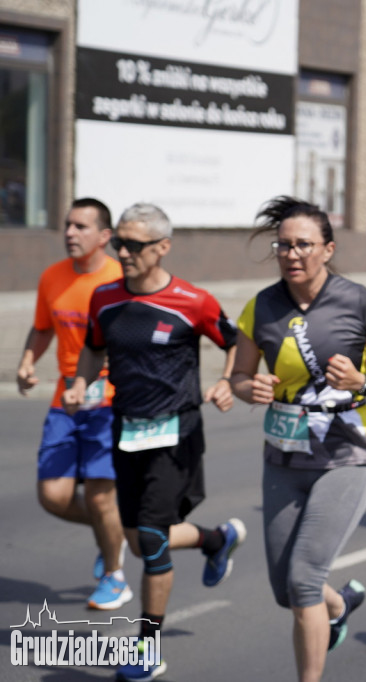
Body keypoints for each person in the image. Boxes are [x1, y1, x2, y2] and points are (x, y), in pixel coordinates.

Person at [63, 202, 244, 681]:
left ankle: (147, 647)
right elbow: (93, 348)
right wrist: (82, 382)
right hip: (125, 429)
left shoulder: (192, 300)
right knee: (139, 541)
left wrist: (229, 381)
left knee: (149, 539)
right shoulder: (104, 299)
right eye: (119, 242)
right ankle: (216, 538)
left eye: (134, 245)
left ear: (162, 248)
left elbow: (235, 341)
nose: (122, 251)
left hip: (176, 431)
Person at [230, 197, 366, 682]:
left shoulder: (360, 302)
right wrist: (250, 387)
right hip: (283, 455)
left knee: (304, 580)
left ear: (327, 249)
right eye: (283, 245)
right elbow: (240, 376)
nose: (292, 253)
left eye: (303, 244)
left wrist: (362, 383)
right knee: (287, 589)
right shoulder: (260, 307)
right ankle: (340, 603)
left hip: (346, 452)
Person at [16, 198, 130, 610]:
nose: (69, 233)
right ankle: (110, 534)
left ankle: (115, 576)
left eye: (80, 226)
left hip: (110, 401)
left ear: (104, 236)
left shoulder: (122, 280)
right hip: (65, 401)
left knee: (102, 497)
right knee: (53, 495)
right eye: (67, 225)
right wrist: (28, 362)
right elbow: (43, 327)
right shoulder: (53, 277)